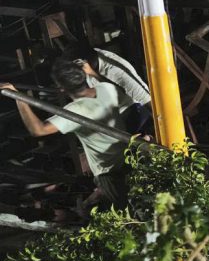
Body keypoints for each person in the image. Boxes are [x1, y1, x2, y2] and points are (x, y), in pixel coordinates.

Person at [2, 60, 131, 207]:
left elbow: (39, 130)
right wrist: (93, 74)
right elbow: (119, 91)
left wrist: (19, 99)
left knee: (125, 208)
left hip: (109, 170)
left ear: (61, 89)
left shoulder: (76, 111)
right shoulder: (106, 88)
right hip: (128, 157)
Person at [65, 42, 152, 134]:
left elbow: (145, 98)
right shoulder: (87, 56)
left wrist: (93, 74)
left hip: (133, 109)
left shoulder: (116, 72)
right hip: (111, 107)